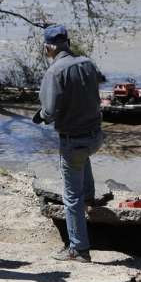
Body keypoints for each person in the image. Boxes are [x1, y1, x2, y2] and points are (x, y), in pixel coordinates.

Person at [33, 25, 103, 263]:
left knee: (71, 197)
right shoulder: (87, 63)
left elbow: (50, 111)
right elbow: (98, 84)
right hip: (96, 137)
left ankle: (78, 249)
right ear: (68, 43)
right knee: (83, 159)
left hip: (74, 141)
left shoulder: (54, 72)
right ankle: (91, 198)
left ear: (49, 47)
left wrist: (40, 115)